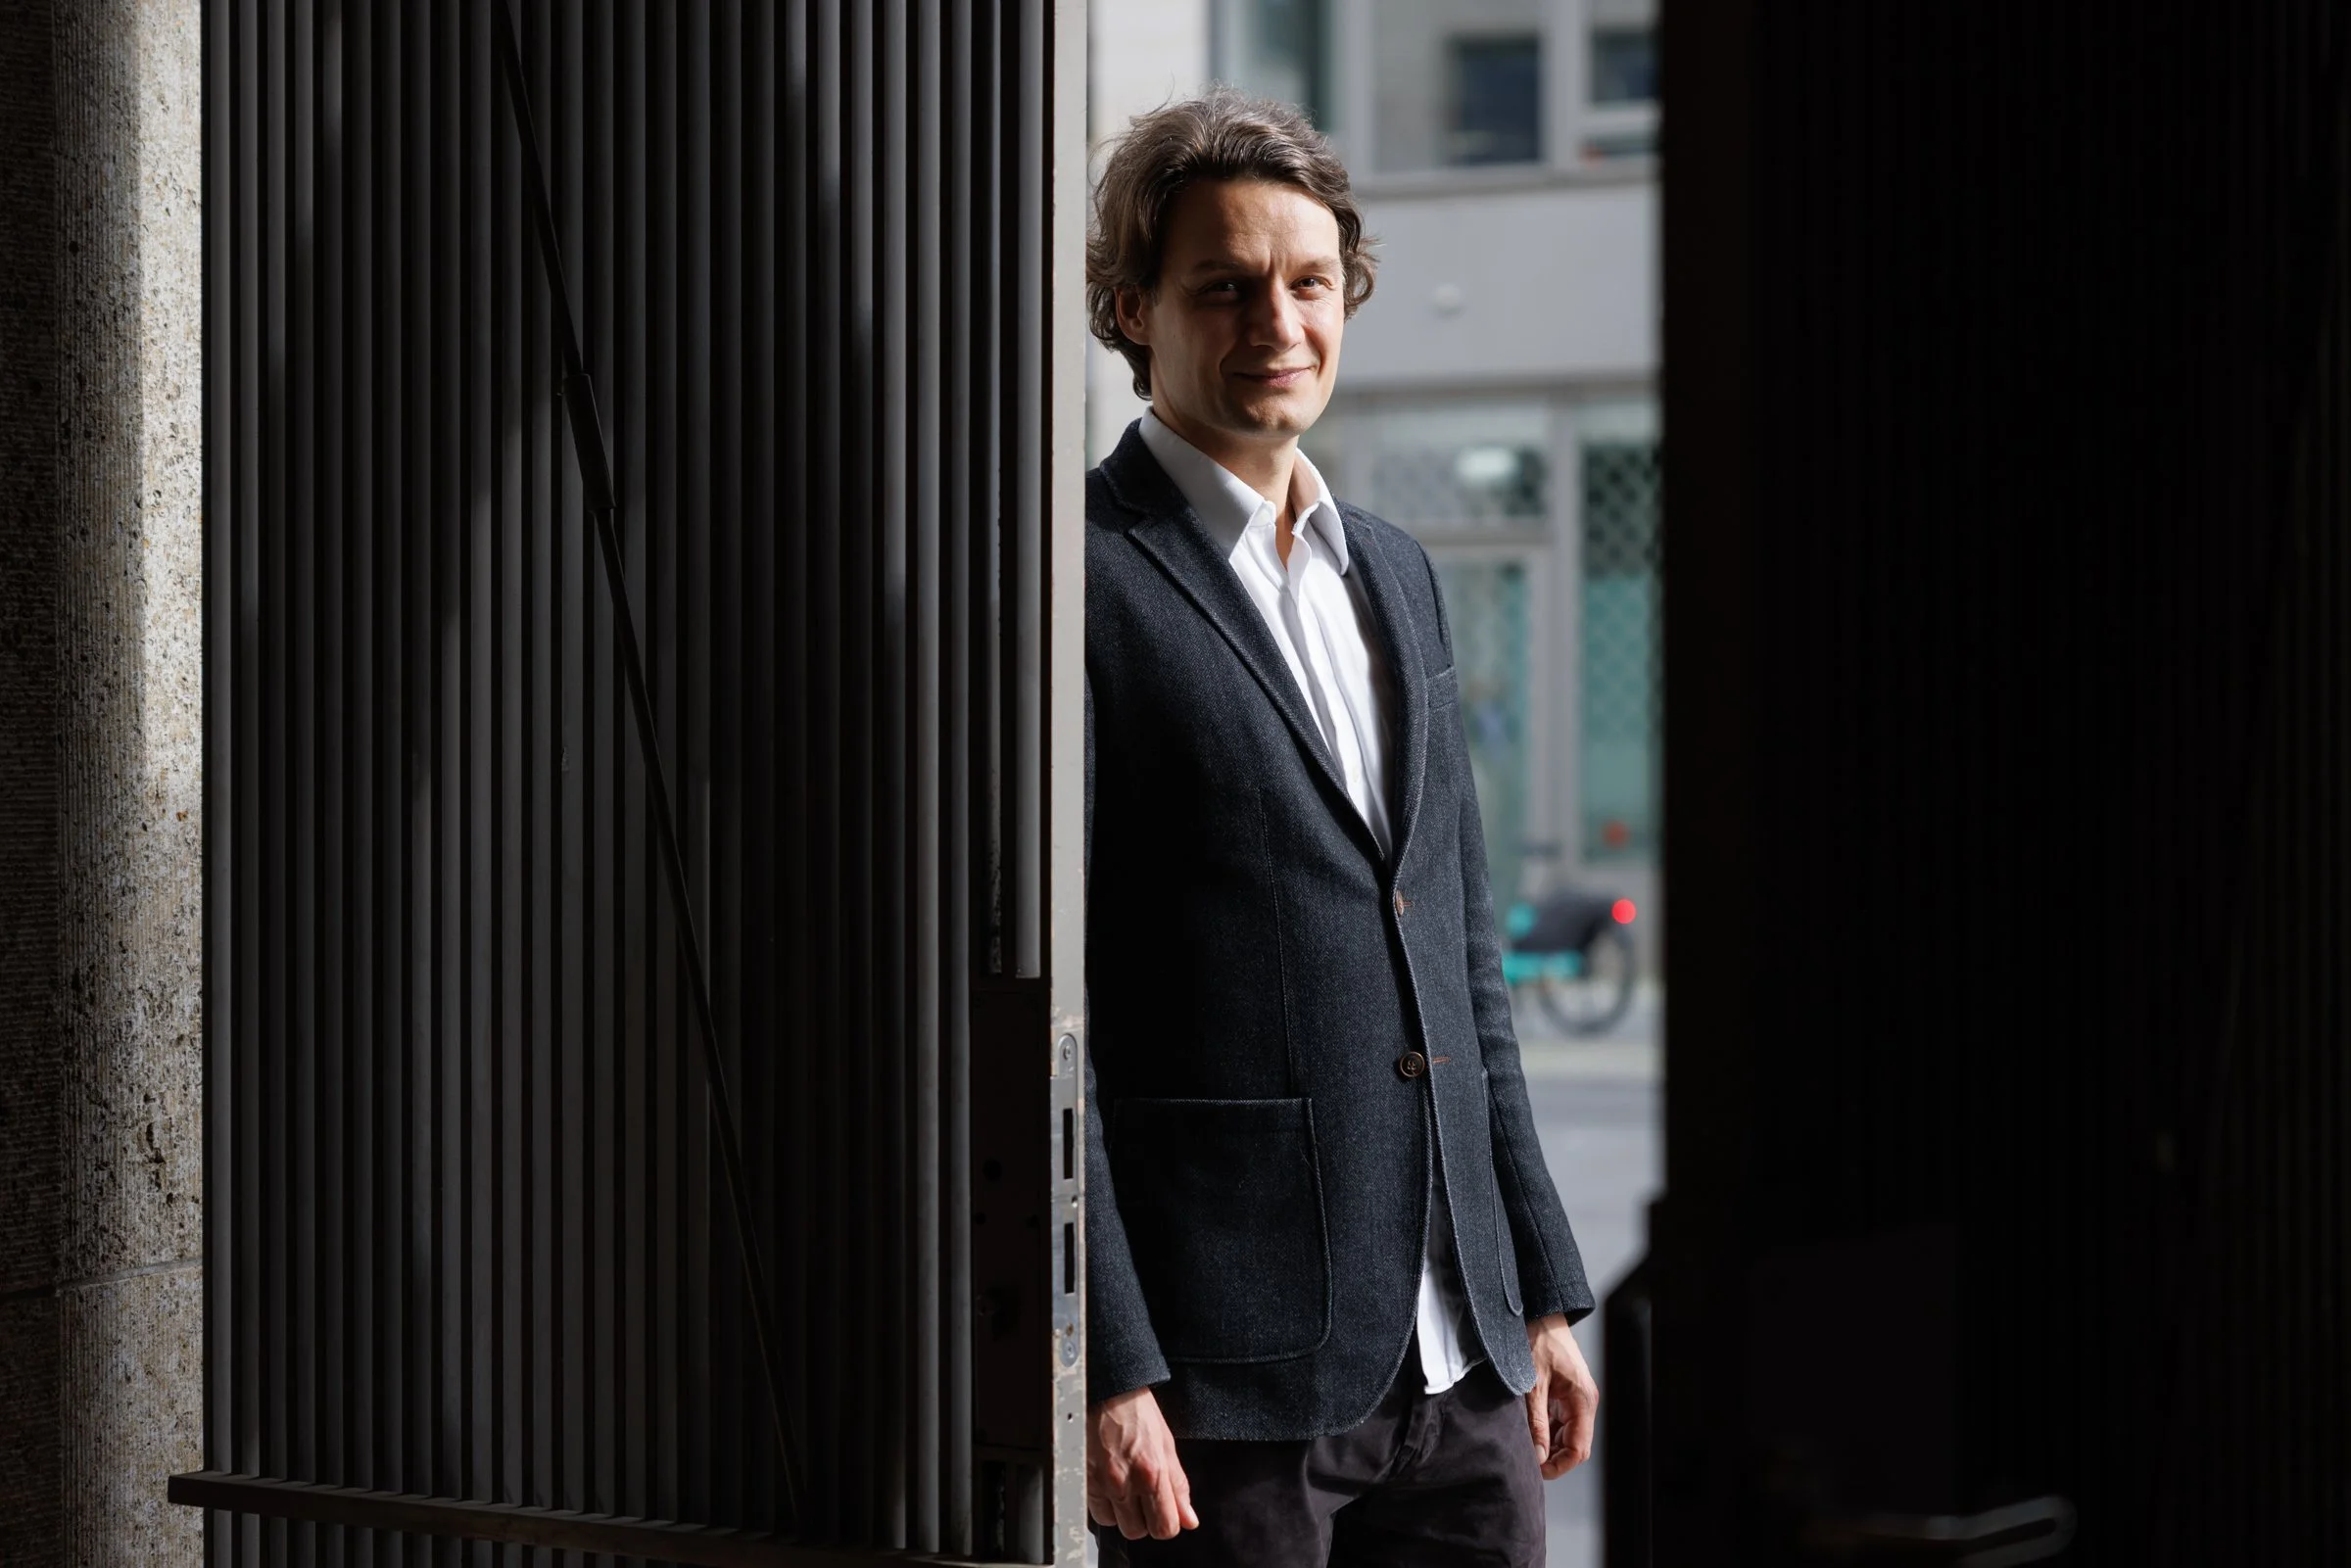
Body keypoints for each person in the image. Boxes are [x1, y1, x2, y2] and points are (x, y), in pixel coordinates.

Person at [1081, 89, 1600, 1566]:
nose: (1279, 323)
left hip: (1462, 1365)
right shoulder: (1079, 584)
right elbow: (1060, 1026)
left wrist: (1537, 1289)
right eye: (1224, 287)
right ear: (1133, 310)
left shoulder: (1397, 572)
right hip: (1229, 1389)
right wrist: (1106, 1365)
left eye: (1309, 283)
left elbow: (1461, 961)